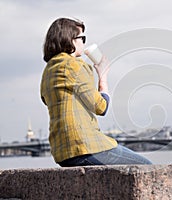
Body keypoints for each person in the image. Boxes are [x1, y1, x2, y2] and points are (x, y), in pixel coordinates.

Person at [40, 17, 152, 167]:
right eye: (82, 38)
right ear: (70, 39)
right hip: (84, 146)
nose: (83, 42)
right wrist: (102, 75)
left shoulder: (48, 71)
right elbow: (101, 107)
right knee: (148, 167)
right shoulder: (75, 65)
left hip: (62, 151)